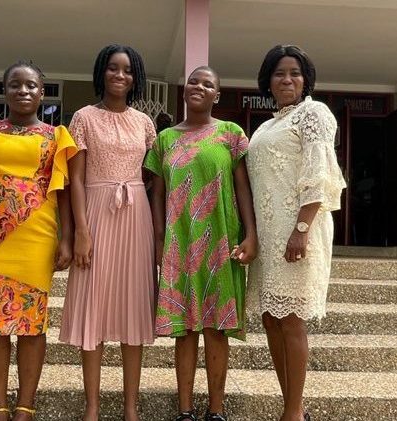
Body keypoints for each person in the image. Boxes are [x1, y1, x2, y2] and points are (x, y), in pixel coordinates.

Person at [0, 60, 77, 421]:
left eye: (31, 86)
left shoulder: (56, 136)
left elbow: (64, 192)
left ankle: (25, 406)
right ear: (4, 90)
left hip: (37, 238)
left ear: (42, 93)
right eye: (15, 85)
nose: (23, 91)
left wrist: (67, 238)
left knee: (32, 326)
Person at [144, 66, 257, 421]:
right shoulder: (164, 139)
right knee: (185, 329)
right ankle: (185, 410)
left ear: (217, 95)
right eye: (194, 81)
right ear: (184, 89)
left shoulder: (231, 134)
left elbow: (243, 188)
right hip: (179, 243)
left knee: (216, 327)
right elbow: (157, 194)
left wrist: (251, 235)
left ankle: (216, 410)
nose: (199, 87)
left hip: (220, 241)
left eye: (208, 84)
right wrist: (159, 241)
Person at [246, 45, 346, 421]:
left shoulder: (313, 113)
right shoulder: (266, 126)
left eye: (294, 73)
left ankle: (292, 413)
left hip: (298, 232)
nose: (287, 80)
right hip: (269, 237)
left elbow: (319, 173)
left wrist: (301, 229)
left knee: (290, 320)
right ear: (267, 81)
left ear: (306, 80)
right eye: (279, 73)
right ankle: (294, 408)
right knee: (271, 318)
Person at [59, 44, 157, 421]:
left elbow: (153, 176)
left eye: (128, 70)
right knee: (93, 309)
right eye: (113, 68)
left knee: (134, 309)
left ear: (136, 78)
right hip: (96, 211)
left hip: (135, 214)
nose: (120, 75)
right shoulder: (83, 117)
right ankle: (93, 408)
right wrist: (81, 231)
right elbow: (75, 179)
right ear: (101, 72)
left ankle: (131, 409)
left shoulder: (145, 123)